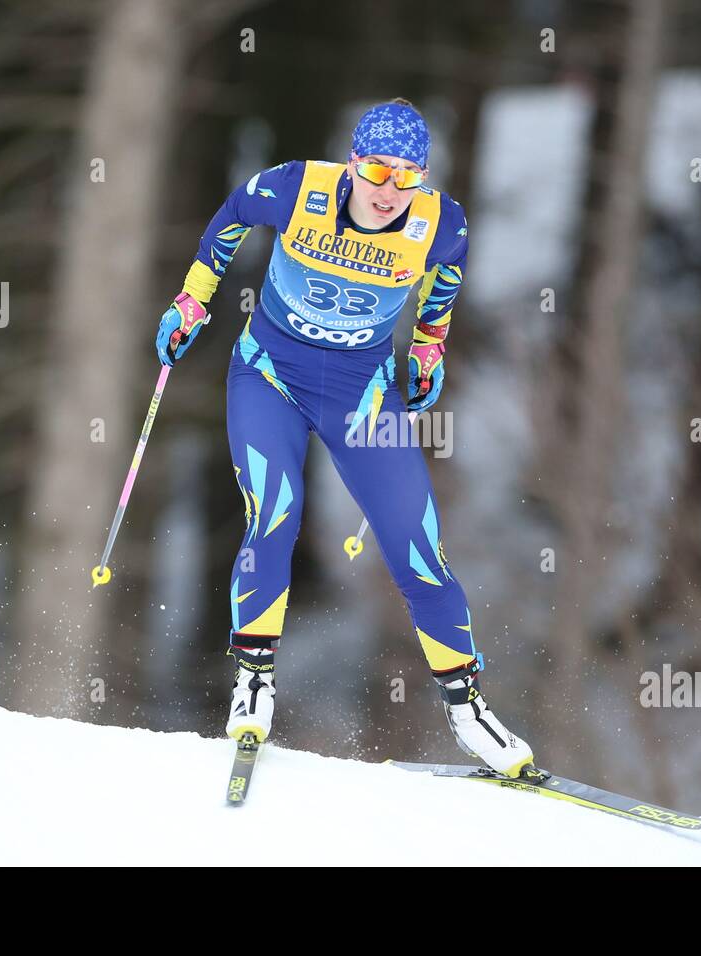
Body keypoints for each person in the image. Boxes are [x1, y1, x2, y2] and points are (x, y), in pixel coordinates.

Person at [156, 98, 534, 777]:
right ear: (352, 164)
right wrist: (192, 299)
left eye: (407, 177)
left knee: (417, 547)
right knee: (276, 515)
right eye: (378, 171)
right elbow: (231, 219)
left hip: (362, 396)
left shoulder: (439, 224)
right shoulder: (295, 188)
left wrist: (427, 349)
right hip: (268, 377)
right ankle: (253, 681)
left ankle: (468, 709)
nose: (390, 191)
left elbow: (445, 283)